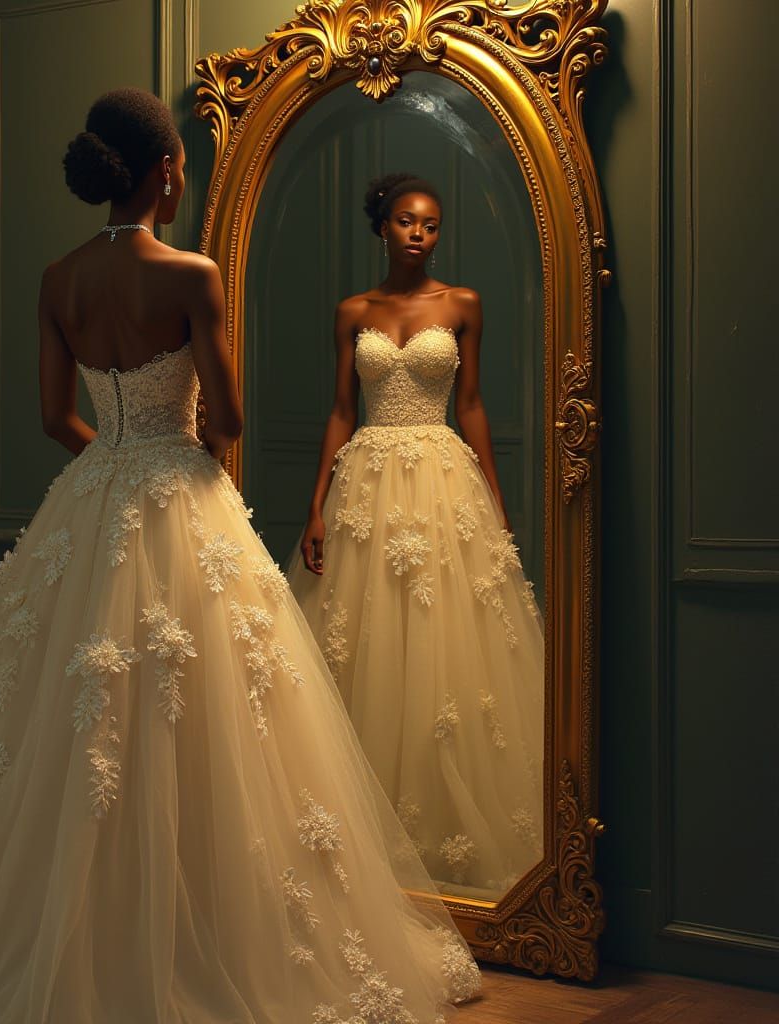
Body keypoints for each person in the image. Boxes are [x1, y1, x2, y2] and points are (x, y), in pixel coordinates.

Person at [0, 95, 479, 1024]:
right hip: (181, 494)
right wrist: (173, 448)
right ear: (167, 170)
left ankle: (77, 931)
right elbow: (228, 419)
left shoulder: (59, 277)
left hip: (94, 494)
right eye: (179, 168)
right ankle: (194, 931)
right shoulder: (190, 274)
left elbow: (53, 416)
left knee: (72, 717)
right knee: (212, 711)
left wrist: (118, 454)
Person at [288, 173, 545, 898]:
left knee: (445, 643)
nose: (419, 235)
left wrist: (495, 495)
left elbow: (472, 404)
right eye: (406, 221)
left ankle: (442, 845)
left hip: (441, 479)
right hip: (367, 481)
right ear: (383, 227)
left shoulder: (462, 304)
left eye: (431, 225)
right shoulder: (353, 311)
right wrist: (316, 505)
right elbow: (342, 410)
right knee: (365, 643)